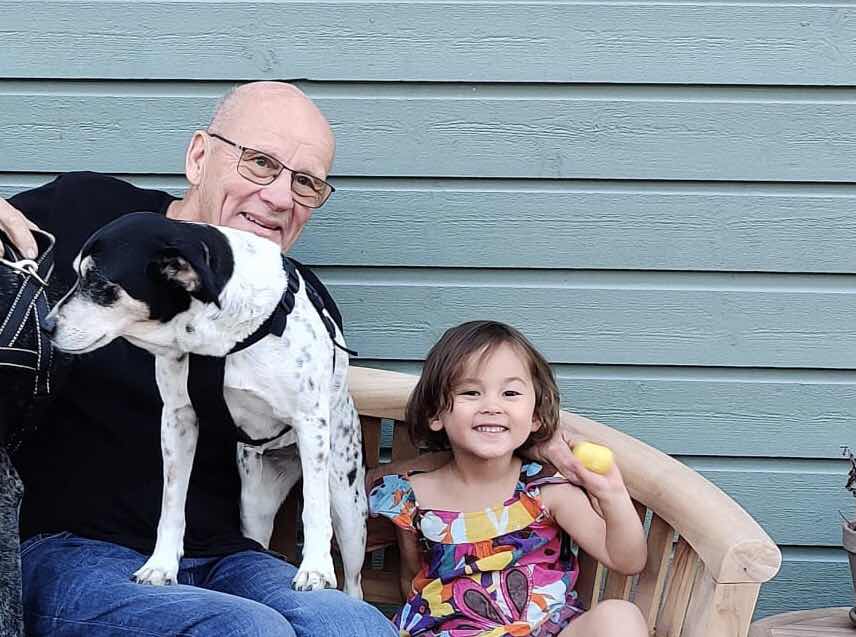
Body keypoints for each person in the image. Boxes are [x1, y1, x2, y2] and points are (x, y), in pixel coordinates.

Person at [0, 81, 397, 637]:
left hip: (224, 556)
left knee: (352, 627)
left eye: (305, 183)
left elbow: (320, 428)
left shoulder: (292, 304)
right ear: (198, 157)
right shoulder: (86, 213)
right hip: (71, 552)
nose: (281, 197)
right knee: (247, 631)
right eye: (261, 163)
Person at [368, 320, 649, 636]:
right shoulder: (412, 497)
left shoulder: (544, 490)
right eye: (471, 392)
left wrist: (611, 493)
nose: (492, 406)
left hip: (545, 629)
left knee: (619, 616)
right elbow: (412, 583)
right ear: (435, 413)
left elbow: (627, 560)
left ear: (535, 416)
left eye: (510, 393)